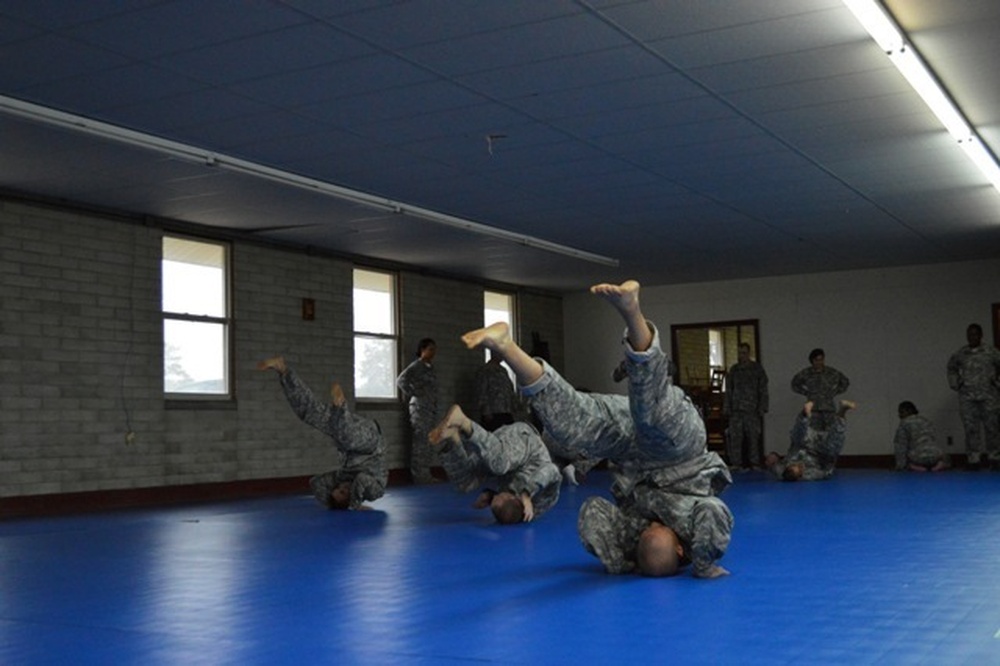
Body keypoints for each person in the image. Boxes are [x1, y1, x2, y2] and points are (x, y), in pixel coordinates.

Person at [461, 280, 733, 578]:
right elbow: (714, 514)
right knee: (651, 412)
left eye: (647, 533)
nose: (653, 524)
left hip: (634, 456)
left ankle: (506, 346)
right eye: (659, 530)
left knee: (573, 424)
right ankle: (631, 310)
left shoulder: (633, 534)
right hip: (682, 453)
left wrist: (621, 562)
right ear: (680, 549)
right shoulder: (698, 519)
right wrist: (704, 565)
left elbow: (593, 512)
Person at [258, 356, 387, 509]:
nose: (343, 488)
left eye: (338, 489)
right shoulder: (374, 492)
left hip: (344, 430)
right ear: (351, 498)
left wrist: (331, 502)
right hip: (370, 443)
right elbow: (362, 479)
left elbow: (315, 483)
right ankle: (340, 405)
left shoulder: (341, 478)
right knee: (347, 438)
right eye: (344, 493)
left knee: (310, 414)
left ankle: (283, 370)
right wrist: (355, 505)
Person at [428, 404, 561, 523]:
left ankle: (453, 438)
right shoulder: (540, 503)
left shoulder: (511, 502)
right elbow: (552, 470)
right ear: (514, 499)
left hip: (505, 463)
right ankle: (464, 422)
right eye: (500, 496)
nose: (498, 494)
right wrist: (527, 494)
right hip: (526, 445)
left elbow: (506, 491)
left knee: (466, 484)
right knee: (499, 465)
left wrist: (490, 495)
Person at [946, 323, 1000, 470]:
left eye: (975, 334)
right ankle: (973, 459)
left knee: (992, 428)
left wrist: (997, 383)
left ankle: (995, 457)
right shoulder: (961, 354)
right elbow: (951, 368)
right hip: (968, 397)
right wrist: (956, 383)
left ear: (981, 335)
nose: (972, 337)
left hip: (989, 396)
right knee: (971, 428)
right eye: (969, 334)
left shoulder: (991, 352)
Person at [765, 400, 855, 481]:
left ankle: (805, 414)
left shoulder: (780, 470)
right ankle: (843, 410)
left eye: (795, 465)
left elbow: (773, 462)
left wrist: (772, 458)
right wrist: (829, 465)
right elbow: (826, 471)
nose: (800, 465)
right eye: (800, 469)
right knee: (833, 445)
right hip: (820, 452)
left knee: (797, 437)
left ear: (787, 467)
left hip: (805, 442)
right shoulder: (811, 475)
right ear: (800, 476)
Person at [397, 337, 440, 484]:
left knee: (428, 442)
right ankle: (419, 476)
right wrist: (415, 393)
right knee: (420, 442)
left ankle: (426, 474)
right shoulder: (416, 366)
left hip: (430, 409)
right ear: (422, 350)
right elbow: (401, 380)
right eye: (430, 349)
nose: (433, 352)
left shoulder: (430, 367)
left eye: (434, 350)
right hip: (420, 409)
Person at [723, 342, 769, 470]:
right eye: (739, 353)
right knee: (735, 438)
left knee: (753, 437)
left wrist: (763, 407)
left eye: (744, 353)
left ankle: (754, 463)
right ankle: (736, 463)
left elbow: (763, 390)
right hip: (736, 410)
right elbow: (729, 390)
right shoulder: (734, 370)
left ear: (749, 353)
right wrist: (727, 408)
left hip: (752, 410)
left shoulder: (757, 369)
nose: (741, 356)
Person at [791, 348, 850, 430]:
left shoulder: (831, 372)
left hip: (828, 409)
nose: (819, 362)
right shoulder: (806, 373)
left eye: (821, 359)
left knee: (831, 433)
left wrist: (834, 392)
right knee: (813, 433)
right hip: (813, 409)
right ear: (812, 361)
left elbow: (845, 382)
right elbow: (794, 384)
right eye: (816, 360)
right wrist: (807, 393)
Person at [893, 401, 948, 472]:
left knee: (909, 462)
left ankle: (917, 467)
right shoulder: (926, 421)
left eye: (901, 412)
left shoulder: (904, 424)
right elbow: (934, 439)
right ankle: (937, 466)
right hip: (935, 456)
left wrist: (901, 466)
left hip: (918, 457)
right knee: (944, 458)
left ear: (909, 411)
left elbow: (900, 446)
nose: (899, 415)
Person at [473, 350, 517, 431]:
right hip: (493, 412)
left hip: (506, 410)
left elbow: (509, 388)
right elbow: (481, 392)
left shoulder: (503, 370)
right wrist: (486, 411)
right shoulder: (485, 370)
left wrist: (514, 406)